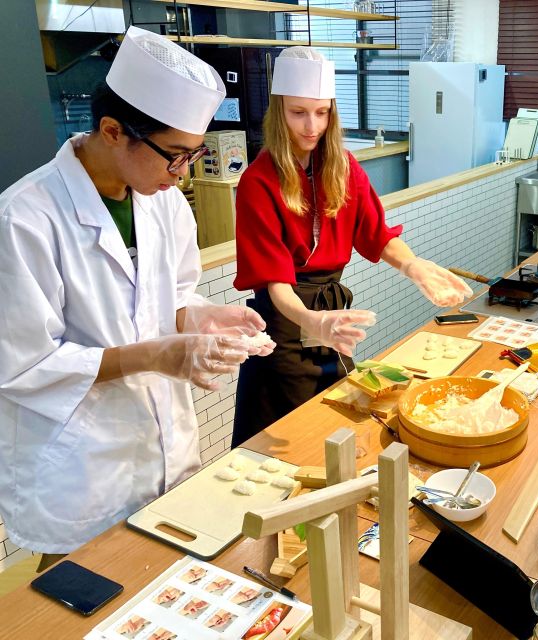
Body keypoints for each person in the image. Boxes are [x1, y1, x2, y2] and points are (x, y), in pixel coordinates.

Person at [0, 27, 273, 566]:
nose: (183, 173)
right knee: (83, 600)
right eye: (174, 155)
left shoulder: (164, 203)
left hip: (163, 444)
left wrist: (202, 318)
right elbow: (24, 363)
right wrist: (158, 354)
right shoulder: (25, 218)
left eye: (192, 155)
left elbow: (161, 303)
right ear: (112, 130)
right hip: (82, 465)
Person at [231, 47, 472, 446]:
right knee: (289, 437)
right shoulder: (258, 182)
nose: (312, 126)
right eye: (298, 112)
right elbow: (275, 284)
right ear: (278, 113)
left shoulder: (343, 166)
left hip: (331, 317)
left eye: (322, 112)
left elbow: (376, 234)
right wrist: (310, 321)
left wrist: (414, 266)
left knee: (336, 420)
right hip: (285, 324)